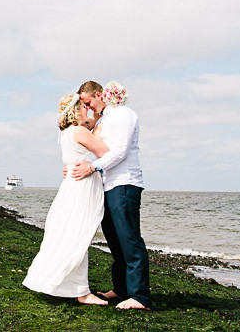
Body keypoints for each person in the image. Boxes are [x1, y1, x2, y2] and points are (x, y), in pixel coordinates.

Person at [70, 80, 152, 310]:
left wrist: (92, 167)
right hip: (108, 186)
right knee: (115, 241)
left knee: (130, 240)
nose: (88, 108)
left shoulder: (123, 114)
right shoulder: (104, 119)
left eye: (88, 103)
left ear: (99, 94)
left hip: (124, 184)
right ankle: (121, 289)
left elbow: (119, 152)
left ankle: (140, 297)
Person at [22, 94, 110, 305]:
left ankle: (70, 286)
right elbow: (106, 152)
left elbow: (91, 122)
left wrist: (97, 117)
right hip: (82, 188)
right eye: (84, 108)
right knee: (79, 235)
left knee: (69, 234)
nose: (87, 111)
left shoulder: (65, 132)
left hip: (71, 187)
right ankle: (82, 292)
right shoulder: (79, 131)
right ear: (76, 111)